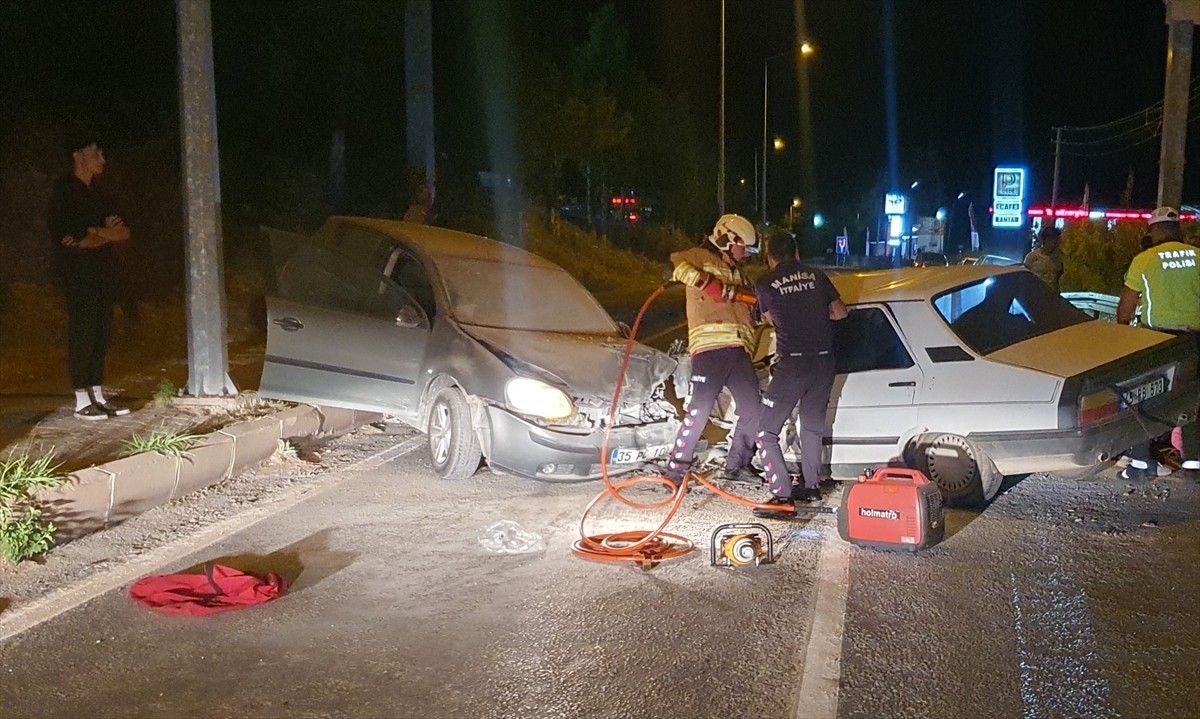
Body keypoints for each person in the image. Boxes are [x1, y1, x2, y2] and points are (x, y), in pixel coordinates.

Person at [750, 231, 848, 518]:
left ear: (770, 259)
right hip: (823, 363)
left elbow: (770, 319)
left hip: (792, 365)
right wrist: (816, 315)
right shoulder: (817, 275)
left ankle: (781, 495)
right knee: (812, 427)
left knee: (765, 431)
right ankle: (811, 485)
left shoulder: (765, 282)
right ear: (796, 254)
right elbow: (841, 313)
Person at [663, 214, 763, 489]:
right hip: (710, 351)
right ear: (727, 239)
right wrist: (711, 285)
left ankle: (738, 464)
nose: (747, 254)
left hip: (739, 350)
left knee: (753, 408)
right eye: (744, 247)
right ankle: (675, 471)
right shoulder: (698, 257)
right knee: (700, 410)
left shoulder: (739, 273)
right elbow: (673, 267)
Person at [46, 135, 132, 420]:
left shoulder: (101, 193)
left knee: (102, 331)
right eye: (96, 153)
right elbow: (76, 240)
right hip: (78, 274)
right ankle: (81, 398)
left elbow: (123, 231)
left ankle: (97, 394)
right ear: (78, 156)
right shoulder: (65, 191)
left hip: (103, 273)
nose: (102, 160)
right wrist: (99, 233)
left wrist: (97, 232)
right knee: (82, 331)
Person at [1116, 206, 1200, 480]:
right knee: (1192, 399)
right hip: (1194, 340)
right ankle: (1194, 465)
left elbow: (1126, 308)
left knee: (1146, 398)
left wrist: (1123, 332)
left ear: (1157, 230)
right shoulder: (1199, 257)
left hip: (1158, 339)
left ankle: (1141, 464)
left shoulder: (1145, 259)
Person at [1023, 225, 1064, 292]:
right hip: (1037, 293)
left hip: (1052, 294)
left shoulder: (1058, 258)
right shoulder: (1032, 257)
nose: (1056, 244)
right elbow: (1025, 276)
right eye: (1053, 240)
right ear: (1046, 240)